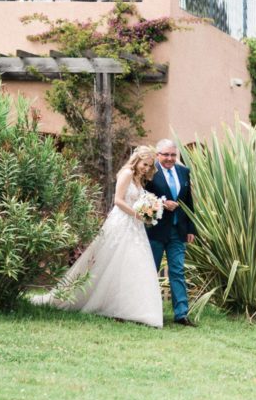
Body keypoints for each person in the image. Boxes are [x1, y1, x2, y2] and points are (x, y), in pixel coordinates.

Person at [31, 146, 163, 328]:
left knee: (133, 264)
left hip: (135, 227)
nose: (146, 168)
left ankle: (134, 310)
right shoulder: (126, 173)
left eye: (149, 166)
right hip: (121, 223)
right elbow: (117, 200)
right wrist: (136, 214)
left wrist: (148, 213)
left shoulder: (140, 179)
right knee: (110, 261)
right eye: (144, 164)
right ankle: (107, 304)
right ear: (137, 160)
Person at [145, 139, 196, 327]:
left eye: (173, 155)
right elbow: (143, 198)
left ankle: (181, 314)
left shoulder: (184, 172)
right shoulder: (150, 171)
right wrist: (162, 203)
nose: (169, 158)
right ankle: (148, 312)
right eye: (165, 154)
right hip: (155, 231)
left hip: (178, 231)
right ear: (158, 155)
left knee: (178, 271)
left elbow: (189, 201)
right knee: (151, 271)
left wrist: (191, 228)